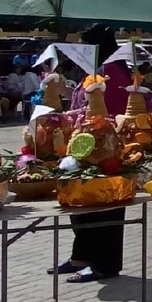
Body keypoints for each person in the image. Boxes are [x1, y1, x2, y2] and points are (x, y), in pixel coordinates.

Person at [50, 28, 130, 284]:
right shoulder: (92, 72)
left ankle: (103, 264)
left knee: (103, 209)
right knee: (81, 204)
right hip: (82, 147)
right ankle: (81, 257)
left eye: (84, 44)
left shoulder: (112, 71)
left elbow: (112, 111)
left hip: (104, 148)